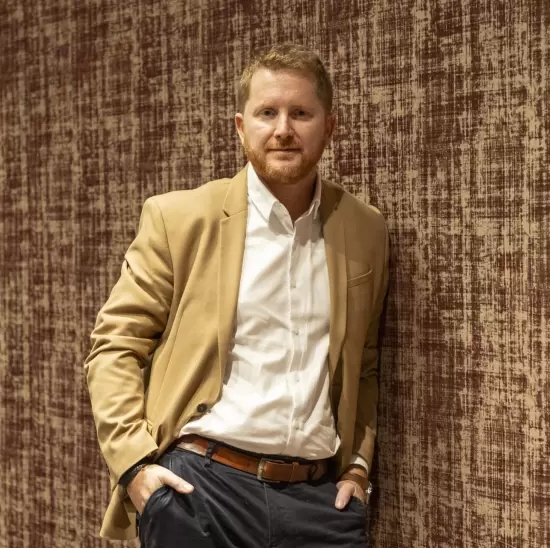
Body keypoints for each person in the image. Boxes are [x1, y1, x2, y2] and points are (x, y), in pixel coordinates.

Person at [84, 43, 390, 547]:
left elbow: (366, 364)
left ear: (329, 126)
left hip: (319, 505)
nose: (283, 129)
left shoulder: (365, 230)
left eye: (301, 113)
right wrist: (136, 465)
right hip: (201, 491)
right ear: (240, 127)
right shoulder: (180, 219)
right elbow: (114, 346)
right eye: (267, 113)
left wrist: (358, 467)